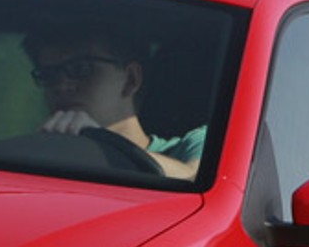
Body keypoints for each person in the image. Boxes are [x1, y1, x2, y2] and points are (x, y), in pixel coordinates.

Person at [25, 22, 203, 179]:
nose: (61, 86)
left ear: (131, 79)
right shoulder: (47, 160)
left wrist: (103, 143)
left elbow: (195, 178)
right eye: (48, 75)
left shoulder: (193, 144)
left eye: (81, 68)